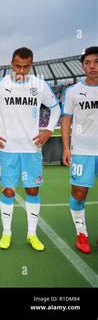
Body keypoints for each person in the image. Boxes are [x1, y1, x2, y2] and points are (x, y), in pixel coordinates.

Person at [0, 47, 61, 251]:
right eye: (18, 66)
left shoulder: (40, 86)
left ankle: (31, 234)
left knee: (32, 190)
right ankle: (6, 233)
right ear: (11, 64)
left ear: (31, 65)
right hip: (8, 149)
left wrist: (49, 130)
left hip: (32, 148)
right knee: (8, 191)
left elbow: (56, 108)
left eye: (26, 67)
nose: (22, 70)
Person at [61, 46, 98, 254]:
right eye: (87, 62)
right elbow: (66, 120)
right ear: (83, 66)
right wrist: (66, 148)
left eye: (96, 62)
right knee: (79, 193)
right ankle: (81, 233)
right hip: (82, 151)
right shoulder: (72, 91)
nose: (92, 66)